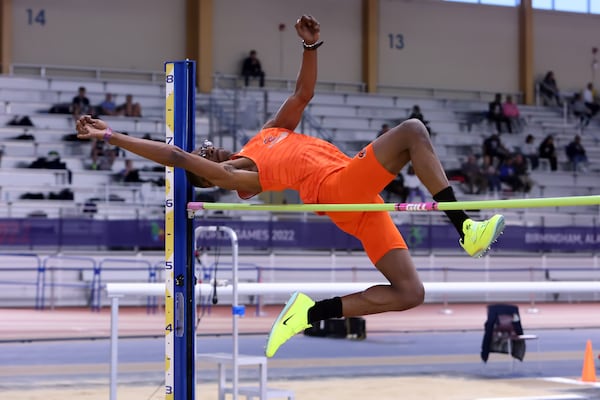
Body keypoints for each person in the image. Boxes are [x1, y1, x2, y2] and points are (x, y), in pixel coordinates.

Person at [76, 15, 505, 359]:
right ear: (208, 175)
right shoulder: (243, 180)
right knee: (413, 131)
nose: (207, 148)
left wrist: (310, 47)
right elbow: (174, 156)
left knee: (410, 293)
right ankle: (465, 228)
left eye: (204, 147)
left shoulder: (267, 132)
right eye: (203, 153)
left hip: (357, 199)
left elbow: (302, 94)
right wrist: (113, 136)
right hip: (337, 188)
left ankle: (308, 313)